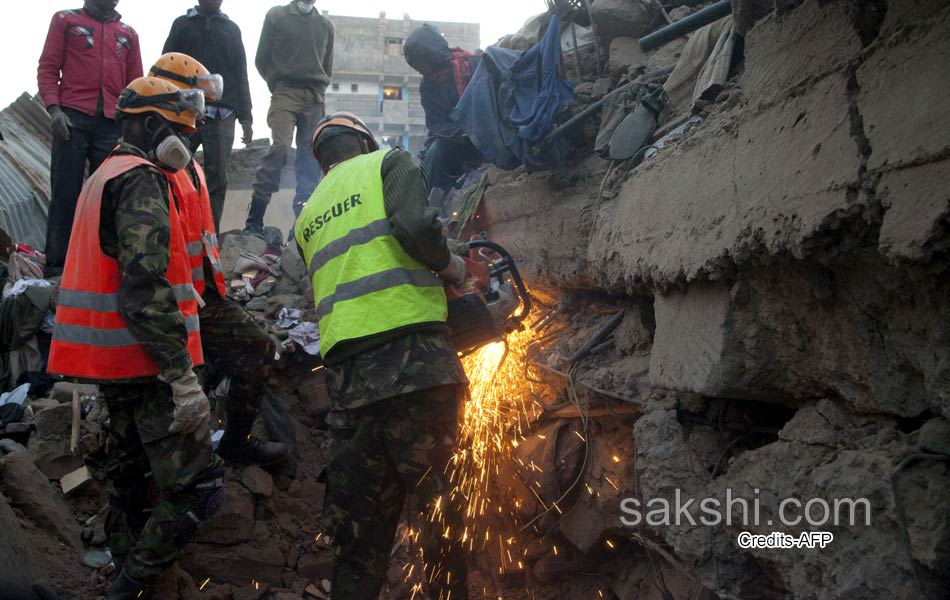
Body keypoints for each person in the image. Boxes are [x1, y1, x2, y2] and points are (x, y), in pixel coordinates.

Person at [47, 76, 222, 600]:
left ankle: (138, 582)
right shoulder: (142, 179)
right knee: (200, 489)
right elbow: (145, 288)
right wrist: (181, 377)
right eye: (178, 131)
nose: (187, 144)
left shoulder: (102, 174)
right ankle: (127, 589)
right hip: (148, 364)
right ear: (149, 124)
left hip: (114, 363)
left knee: (131, 485)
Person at [294, 112, 470, 600]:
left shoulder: (306, 216)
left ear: (322, 159)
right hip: (416, 365)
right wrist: (453, 266)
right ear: (365, 142)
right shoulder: (387, 163)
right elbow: (414, 224)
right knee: (441, 520)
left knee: (359, 538)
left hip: (350, 386)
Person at [148, 52, 288, 466]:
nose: (201, 115)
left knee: (259, 348)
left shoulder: (188, 162)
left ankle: (234, 440)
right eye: (194, 104)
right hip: (171, 309)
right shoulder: (148, 166)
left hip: (203, 300)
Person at [37, 0, 143, 276]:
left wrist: (130, 128)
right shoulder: (65, 20)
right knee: (65, 194)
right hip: (72, 117)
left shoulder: (128, 34)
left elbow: (136, 85)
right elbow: (48, 68)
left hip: (111, 123)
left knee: (107, 198)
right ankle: (57, 269)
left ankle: (101, 268)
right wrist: (54, 109)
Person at [162, 0, 254, 230]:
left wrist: (246, 117)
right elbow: (165, 66)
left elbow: (241, 72)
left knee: (217, 178)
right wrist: (164, 107)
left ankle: (210, 234)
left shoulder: (231, 29)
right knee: (173, 167)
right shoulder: (182, 25)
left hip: (222, 112)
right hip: (185, 111)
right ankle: (176, 227)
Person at [244, 0, 334, 235]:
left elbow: (327, 67)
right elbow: (261, 59)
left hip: (314, 96)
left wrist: (317, 90)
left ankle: (302, 223)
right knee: (280, 148)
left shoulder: (325, 25)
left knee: (311, 156)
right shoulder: (277, 16)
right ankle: (254, 218)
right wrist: (278, 83)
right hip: (285, 91)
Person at [403, 23, 483, 195]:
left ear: (432, 55)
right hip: (456, 143)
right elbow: (436, 123)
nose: (420, 70)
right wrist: (462, 134)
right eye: (416, 66)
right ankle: (429, 208)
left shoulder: (474, 66)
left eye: (422, 64)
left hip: (488, 134)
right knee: (435, 153)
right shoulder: (427, 88)